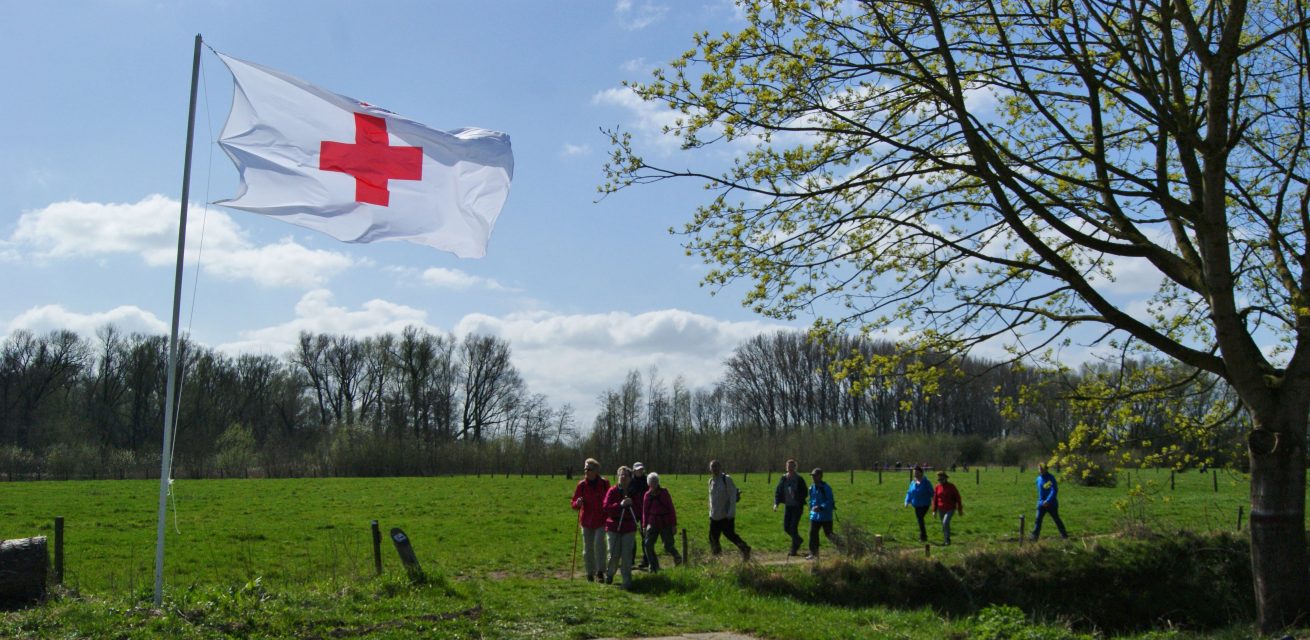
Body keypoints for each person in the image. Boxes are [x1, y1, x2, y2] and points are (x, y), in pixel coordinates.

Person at [570, 458, 610, 582]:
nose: (586, 471)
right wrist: (577, 503)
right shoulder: (581, 485)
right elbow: (574, 503)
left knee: (599, 545)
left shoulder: (604, 483)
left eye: (589, 469)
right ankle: (589, 573)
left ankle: (600, 571)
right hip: (586, 521)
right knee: (587, 549)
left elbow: (609, 499)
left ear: (596, 471)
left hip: (601, 520)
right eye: (585, 469)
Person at [707, 459, 751, 560]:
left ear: (720, 467)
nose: (714, 469)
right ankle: (717, 556)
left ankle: (745, 548)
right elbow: (711, 499)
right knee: (713, 537)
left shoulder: (726, 479)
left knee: (730, 535)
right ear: (710, 469)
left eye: (716, 466)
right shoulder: (710, 481)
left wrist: (731, 512)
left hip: (726, 514)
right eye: (712, 467)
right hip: (714, 515)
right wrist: (710, 513)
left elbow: (732, 496)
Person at [603, 465, 639, 588]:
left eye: (625, 475)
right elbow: (606, 508)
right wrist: (620, 505)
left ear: (630, 478)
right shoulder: (612, 491)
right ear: (617, 477)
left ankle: (627, 581)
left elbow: (639, 510)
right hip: (614, 527)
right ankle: (609, 575)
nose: (623, 477)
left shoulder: (634, 492)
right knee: (613, 554)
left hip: (629, 527)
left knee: (627, 555)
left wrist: (631, 504)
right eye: (620, 475)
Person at [641, 472, 683, 571]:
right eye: (651, 482)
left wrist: (673, 525)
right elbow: (645, 512)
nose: (653, 483)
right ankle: (654, 566)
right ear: (648, 483)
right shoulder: (647, 495)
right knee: (648, 544)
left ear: (658, 482)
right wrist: (644, 525)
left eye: (655, 481)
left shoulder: (664, 493)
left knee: (668, 545)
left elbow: (671, 509)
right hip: (652, 523)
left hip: (665, 522)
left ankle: (677, 557)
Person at [773, 458, 808, 555]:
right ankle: (798, 540)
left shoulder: (799, 479)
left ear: (795, 467)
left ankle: (794, 550)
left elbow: (805, 492)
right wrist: (776, 503)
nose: (790, 468)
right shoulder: (783, 478)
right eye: (788, 466)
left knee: (793, 528)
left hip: (797, 507)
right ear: (786, 468)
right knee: (786, 528)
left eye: (792, 467)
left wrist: (798, 497)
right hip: (788, 506)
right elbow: (778, 492)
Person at [806, 467, 837, 559]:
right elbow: (811, 500)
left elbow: (830, 501)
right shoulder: (811, 488)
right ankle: (813, 553)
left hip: (826, 516)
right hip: (814, 516)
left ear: (820, 476)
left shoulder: (826, 488)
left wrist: (820, 507)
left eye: (815, 476)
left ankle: (843, 546)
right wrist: (811, 508)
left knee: (829, 534)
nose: (813, 477)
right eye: (812, 476)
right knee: (813, 534)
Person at [1032, 462, 1069, 540]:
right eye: (1039, 469)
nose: (1040, 470)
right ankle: (1034, 537)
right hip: (1041, 503)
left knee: (1056, 519)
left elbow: (1054, 490)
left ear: (1046, 469)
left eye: (1042, 469)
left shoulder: (1050, 478)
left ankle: (1064, 536)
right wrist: (1041, 502)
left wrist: (1048, 501)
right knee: (1038, 520)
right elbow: (1040, 492)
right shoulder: (1038, 479)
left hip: (1051, 504)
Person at [903, 465, 934, 542]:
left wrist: (935, 503)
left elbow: (932, 493)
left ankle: (922, 536)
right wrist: (906, 501)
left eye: (916, 472)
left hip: (925, 504)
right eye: (914, 473)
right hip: (916, 505)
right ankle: (923, 535)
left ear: (921, 473)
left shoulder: (926, 482)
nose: (915, 474)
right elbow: (909, 492)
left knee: (920, 518)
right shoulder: (913, 483)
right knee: (920, 519)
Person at [932, 471, 963, 545]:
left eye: (942, 479)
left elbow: (958, 498)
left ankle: (947, 540)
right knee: (944, 525)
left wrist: (959, 509)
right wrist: (934, 510)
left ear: (946, 478)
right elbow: (935, 499)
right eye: (939, 480)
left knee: (945, 522)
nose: (940, 481)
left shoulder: (951, 486)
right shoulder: (937, 487)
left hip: (950, 508)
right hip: (940, 509)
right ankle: (945, 539)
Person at [629, 461, 650, 569]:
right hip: (633, 512)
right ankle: (630, 559)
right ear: (634, 471)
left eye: (641, 469)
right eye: (637, 470)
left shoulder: (647, 481)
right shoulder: (630, 482)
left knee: (645, 536)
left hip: (644, 512)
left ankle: (646, 559)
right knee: (631, 536)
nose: (639, 471)